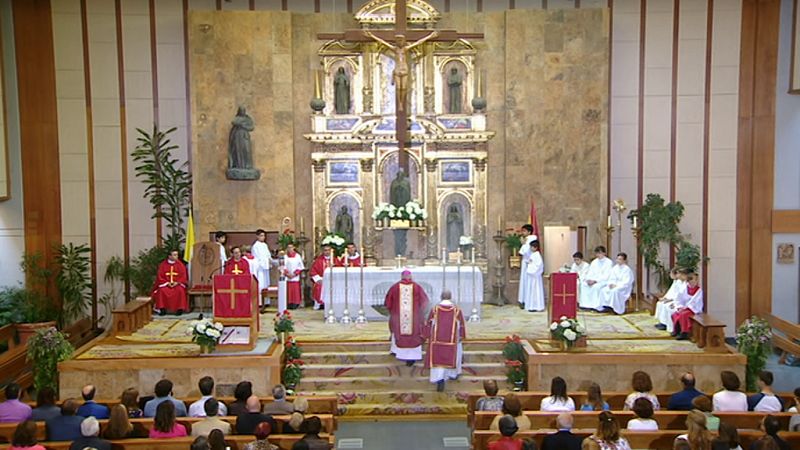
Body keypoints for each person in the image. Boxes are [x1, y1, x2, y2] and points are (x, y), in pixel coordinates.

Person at [384, 270, 429, 366]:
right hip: (414, 318)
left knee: (397, 330)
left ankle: (398, 353)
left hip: (399, 318)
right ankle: (412, 357)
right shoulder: (417, 287)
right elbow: (425, 302)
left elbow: (388, 303)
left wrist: (394, 311)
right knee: (414, 333)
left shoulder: (395, 287)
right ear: (411, 277)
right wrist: (419, 312)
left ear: (401, 277)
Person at [425, 289, 466, 392]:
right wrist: (461, 335)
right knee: (454, 354)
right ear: (450, 297)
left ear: (441, 297)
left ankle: (439, 379)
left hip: (436, 341)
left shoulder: (435, 309)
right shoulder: (456, 310)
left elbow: (429, 323)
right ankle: (452, 374)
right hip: (451, 340)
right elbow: (461, 325)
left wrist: (426, 335)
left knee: (438, 360)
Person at [152, 249, 189, 315]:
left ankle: (179, 309)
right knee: (161, 290)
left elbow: (183, 276)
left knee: (180, 290)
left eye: (177, 255)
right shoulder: (163, 265)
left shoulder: (181, 265)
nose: (176, 256)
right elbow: (160, 276)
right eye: (174, 255)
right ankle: (162, 309)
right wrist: (167, 283)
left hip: (177, 284)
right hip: (165, 284)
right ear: (169, 256)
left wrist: (177, 282)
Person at [578, 246, 614, 310]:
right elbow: (590, 272)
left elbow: (607, 275)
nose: (598, 255)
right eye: (597, 253)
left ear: (604, 253)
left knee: (596, 287)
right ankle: (586, 305)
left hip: (603, 281)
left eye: (600, 253)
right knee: (584, 285)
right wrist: (588, 280)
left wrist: (595, 281)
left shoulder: (609, 262)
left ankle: (595, 306)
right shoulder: (594, 262)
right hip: (592, 280)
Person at [671, 272, 704, 340]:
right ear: (688, 281)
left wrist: (686, 307)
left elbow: (695, 301)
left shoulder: (699, 290)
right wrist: (680, 306)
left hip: (693, 309)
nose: (694, 282)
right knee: (674, 314)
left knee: (683, 315)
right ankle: (677, 330)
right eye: (692, 280)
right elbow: (679, 298)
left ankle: (685, 332)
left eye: (695, 280)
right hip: (684, 307)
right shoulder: (684, 288)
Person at [252, 229, 277, 308]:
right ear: (257, 236)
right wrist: (265, 262)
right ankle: (259, 302)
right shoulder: (255, 246)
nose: (263, 237)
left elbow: (268, 256)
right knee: (260, 285)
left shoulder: (265, 245)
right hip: (260, 269)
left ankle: (266, 302)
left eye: (264, 236)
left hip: (265, 268)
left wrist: (270, 261)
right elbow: (257, 258)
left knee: (266, 284)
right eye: (261, 236)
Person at [517, 225, 537, 309]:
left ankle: (526, 300)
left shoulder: (531, 238)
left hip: (529, 263)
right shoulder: (527, 239)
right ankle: (523, 300)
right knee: (524, 281)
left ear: (529, 232)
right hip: (525, 262)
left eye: (524, 231)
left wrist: (523, 244)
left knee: (527, 282)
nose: (522, 233)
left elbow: (524, 251)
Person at [309, 244, 334, 310]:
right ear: (323, 251)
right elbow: (313, 271)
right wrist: (318, 279)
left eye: (329, 250)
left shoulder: (335, 259)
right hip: (321, 279)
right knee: (318, 286)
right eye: (325, 250)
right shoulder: (318, 260)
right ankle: (319, 304)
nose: (327, 252)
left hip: (333, 280)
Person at [522, 240, 545, 312]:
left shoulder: (537, 255)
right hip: (531, 276)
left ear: (535, 247)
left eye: (531, 247)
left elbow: (539, 266)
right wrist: (529, 263)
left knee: (535, 292)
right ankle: (531, 306)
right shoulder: (533, 255)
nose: (530, 248)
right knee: (531, 291)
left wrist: (530, 265)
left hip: (535, 277)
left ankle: (535, 306)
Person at [282, 243, 305, 309]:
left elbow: (300, 266)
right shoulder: (285, 256)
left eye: (291, 247)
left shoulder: (297, 256)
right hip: (288, 276)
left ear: (294, 247)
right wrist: (287, 273)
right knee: (288, 291)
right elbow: (283, 266)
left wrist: (295, 274)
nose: (290, 249)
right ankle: (289, 303)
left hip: (295, 277)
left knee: (295, 291)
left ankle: (296, 303)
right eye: (288, 247)